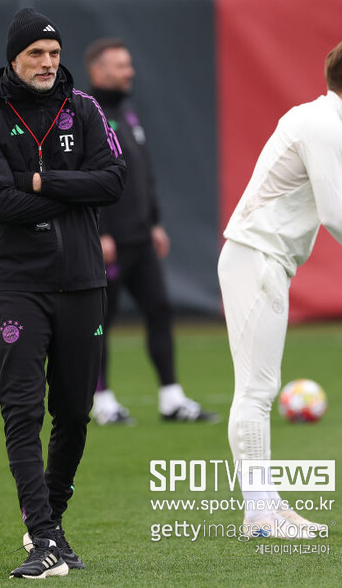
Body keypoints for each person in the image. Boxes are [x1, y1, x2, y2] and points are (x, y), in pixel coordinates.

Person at [218, 38, 342, 538]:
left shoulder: (324, 122)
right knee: (256, 391)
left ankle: (267, 505)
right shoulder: (324, 126)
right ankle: (259, 515)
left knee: (259, 390)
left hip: (263, 259)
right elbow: (336, 215)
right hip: (257, 257)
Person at [0, 9, 126, 579]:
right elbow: (0, 204)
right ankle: (43, 537)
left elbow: (112, 181)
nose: (47, 63)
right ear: (14, 57)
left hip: (83, 281)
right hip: (18, 285)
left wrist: (38, 180)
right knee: (22, 410)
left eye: (54, 54)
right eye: (36, 53)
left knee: (76, 414)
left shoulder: (85, 110)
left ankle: (50, 523)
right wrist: (71, 191)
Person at [84, 38, 217, 425]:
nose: (130, 71)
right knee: (98, 324)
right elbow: (86, 180)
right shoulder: (85, 116)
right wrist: (99, 232)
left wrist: (155, 221)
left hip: (141, 238)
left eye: (129, 64)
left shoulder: (127, 112)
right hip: (109, 243)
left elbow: (143, 174)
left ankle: (171, 399)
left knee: (159, 310)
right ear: (98, 72)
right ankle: (102, 401)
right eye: (120, 66)